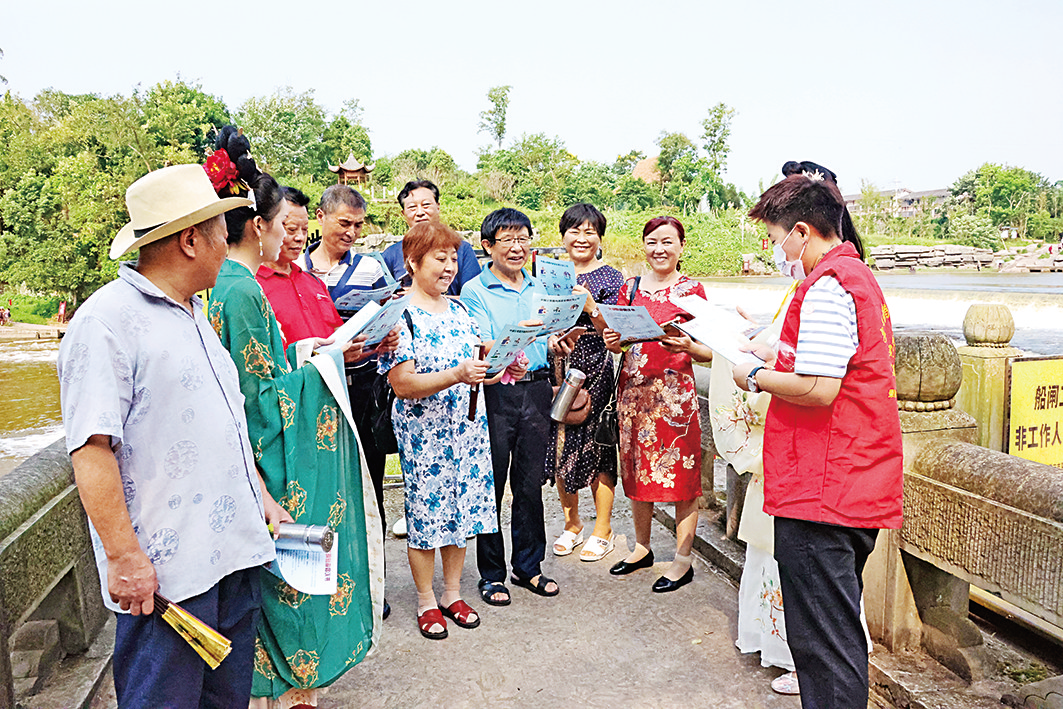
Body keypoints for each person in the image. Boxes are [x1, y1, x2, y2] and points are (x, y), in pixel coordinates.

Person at [57, 164, 282, 707]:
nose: (226, 247)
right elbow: (91, 448)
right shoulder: (105, 323)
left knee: (226, 699)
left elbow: (219, 424)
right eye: (218, 234)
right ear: (188, 240)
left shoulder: (193, 313)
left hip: (232, 554)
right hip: (167, 579)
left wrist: (264, 499)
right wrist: (125, 559)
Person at [205, 127, 383, 708]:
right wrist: (323, 362)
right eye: (283, 226)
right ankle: (293, 691)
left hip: (240, 456)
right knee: (295, 581)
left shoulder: (221, 285)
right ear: (256, 224)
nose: (288, 237)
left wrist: (303, 355)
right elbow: (264, 400)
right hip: (270, 463)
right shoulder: (242, 291)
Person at [732, 174, 902, 709]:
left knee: (823, 645)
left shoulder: (829, 284)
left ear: (802, 232)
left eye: (779, 238)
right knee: (833, 633)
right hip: (850, 478)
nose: (779, 251)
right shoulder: (855, 275)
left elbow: (818, 386)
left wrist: (752, 377)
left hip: (826, 489)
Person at [378, 221, 509, 639]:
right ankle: (425, 600)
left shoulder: (462, 311)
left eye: (454, 258)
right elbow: (402, 383)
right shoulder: (400, 315)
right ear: (413, 262)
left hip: (468, 429)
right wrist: (456, 374)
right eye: (440, 258)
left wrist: (501, 368)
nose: (450, 266)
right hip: (425, 434)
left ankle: (453, 592)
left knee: (462, 509)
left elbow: (476, 367)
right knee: (425, 514)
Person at [461, 207, 567, 605]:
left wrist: (557, 342)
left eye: (523, 238)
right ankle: (491, 575)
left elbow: (550, 335)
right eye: (507, 239)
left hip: (537, 390)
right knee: (492, 484)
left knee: (529, 484)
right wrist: (508, 349)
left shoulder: (541, 288)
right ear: (488, 246)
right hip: (497, 394)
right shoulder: (475, 290)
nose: (517, 246)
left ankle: (529, 567)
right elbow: (484, 343)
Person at [602, 216, 713, 593]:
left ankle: (682, 560)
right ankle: (642, 548)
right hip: (633, 394)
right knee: (636, 472)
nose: (659, 249)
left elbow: (708, 352)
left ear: (681, 247)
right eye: (652, 242)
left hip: (675, 397)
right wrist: (614, 340)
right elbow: (617, 340)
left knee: (681, 478)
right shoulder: (630, 287)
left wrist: (688, 347)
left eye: (667, 242)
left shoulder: (692, 290)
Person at [303, 184, 394, 616]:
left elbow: (391, 314)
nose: (352, 233)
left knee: (369, 488)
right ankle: (321, 584)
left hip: (364, 389)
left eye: (359, 225)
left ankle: (370, 585)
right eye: (344, 223)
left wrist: (387, 333)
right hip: (317, 390)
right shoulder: (297, 269)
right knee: (322, 488)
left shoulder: (372, 268)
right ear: (321, 217)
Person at [545, 204, 625, 562]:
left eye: (590, 231)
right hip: (556, 368)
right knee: (560, 446)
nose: (581, 238)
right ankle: (572, 523)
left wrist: (592, 307)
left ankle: (602, 528)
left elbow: (617, 333)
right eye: (574, 231)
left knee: (598, 446)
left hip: (594, 370)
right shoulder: (548, 275)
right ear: (562, 236)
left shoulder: (611, 278)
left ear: (600, 238)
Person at [380, 179, 481, 294]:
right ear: (403, 214)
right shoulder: (391, 254)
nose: (420, 212)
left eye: (426, 205)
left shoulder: (462, 250)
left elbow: (475, 298)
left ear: (438, 207)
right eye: (412, 207)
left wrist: (422, 299)